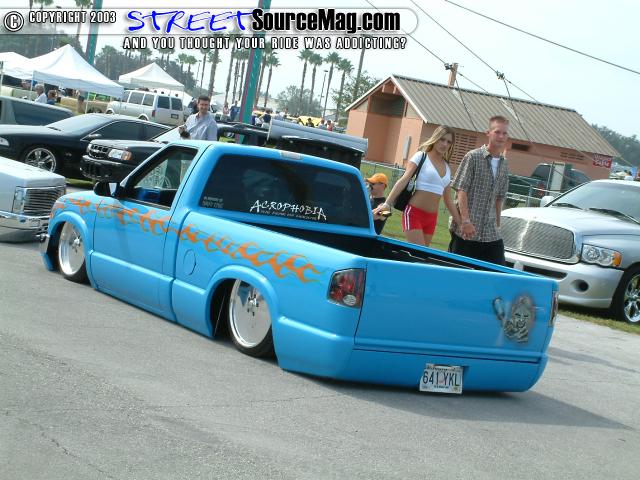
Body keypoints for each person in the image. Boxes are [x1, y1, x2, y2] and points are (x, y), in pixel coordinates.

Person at [373, 125, 462, 247]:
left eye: (449, 142)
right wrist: (387, 204)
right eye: (442, 139)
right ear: (435, 138)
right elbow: (404, 179)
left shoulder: (447, 167)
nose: (445, 144)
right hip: (414, 214)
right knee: (417, 252)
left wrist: (461, 224)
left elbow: (448, 200)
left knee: (422, 256)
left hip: (432, 218)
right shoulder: (421, 156)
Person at [448, 116, 510, 264]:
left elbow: (499, 198)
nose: (501, 136)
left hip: (490, 233)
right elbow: (461, 190)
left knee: (497, 272)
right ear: (488, 133)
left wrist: (498, 225)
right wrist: (465, 222)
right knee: (459, 272)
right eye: (497, 132)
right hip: (467, 231)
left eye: (504, 133)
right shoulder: (473, 157)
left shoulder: (504, 164)